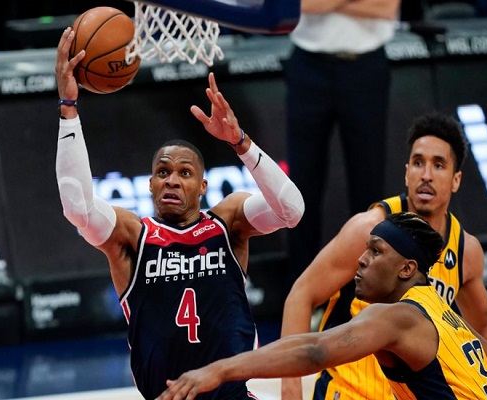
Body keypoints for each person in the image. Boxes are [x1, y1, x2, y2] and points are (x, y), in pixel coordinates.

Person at [54, 27, 304, 400]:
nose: (172, 179)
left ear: (203, 186)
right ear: (151, 185)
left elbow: (292, 211)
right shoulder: (133, 236)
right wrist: (69, 108)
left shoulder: (228, 223)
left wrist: (241, 142)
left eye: (185, 173)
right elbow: (77, 205)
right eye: (163, 172)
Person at [280, 113, 487, 400]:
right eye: (418, 163)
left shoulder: (465, 249)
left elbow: (486, 326)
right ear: (406, 173)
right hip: (349, 392)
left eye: (438, 165)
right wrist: (290, 392)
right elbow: (301, 294)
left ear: (456, 180)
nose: (426, 175)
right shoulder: (369, 228)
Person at [157, 212, 487, 400]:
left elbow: (315, 350)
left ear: (407, 269)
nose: (361, 260)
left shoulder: (399, 316)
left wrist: (220, 370)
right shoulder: (448, 315)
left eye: (376, 251)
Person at [285, 0, 401, 287]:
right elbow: (299, 5)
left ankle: (366, 292)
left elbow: (386, 7)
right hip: (308, 66)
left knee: (368, 186)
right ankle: (302, 293)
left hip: (366, 67)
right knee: (300, 189)